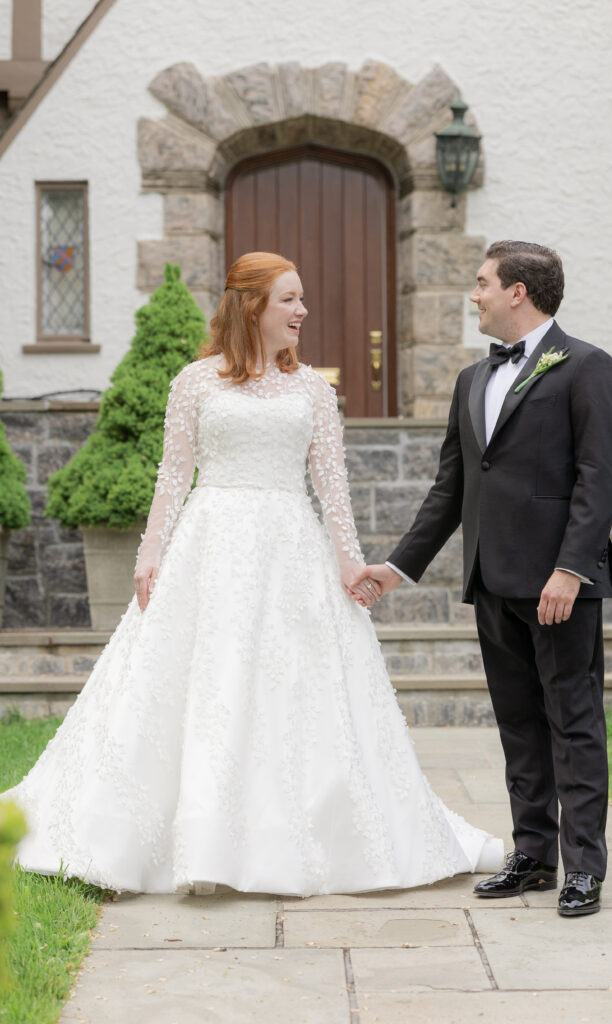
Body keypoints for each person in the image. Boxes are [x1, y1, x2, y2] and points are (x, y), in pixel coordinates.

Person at [2, 251, 503, 897]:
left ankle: (291, 836)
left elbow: (333, 489)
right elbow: (172, 477)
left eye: (302, 300)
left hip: (289, 551)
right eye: (289, 299)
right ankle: (179, 834)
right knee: (203, 685)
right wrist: (148, 555)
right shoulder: (194, 382)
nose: (302, 311)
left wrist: (351, 563)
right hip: (210, 548)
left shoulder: (313, 392)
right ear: (252, 305)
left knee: (295, 690)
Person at [353, 241, 612, 917]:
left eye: (480, 284)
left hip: (558, 586)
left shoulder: (587, 367)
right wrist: (396, 567)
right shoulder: (471, 380)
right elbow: (452, 487)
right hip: (491, 580)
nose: (471, 295)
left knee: (574, 723)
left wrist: (569, 569)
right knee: (517, 725)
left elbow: (600, 479)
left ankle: (584, 868)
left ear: (517, 292)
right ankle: (533, 854)